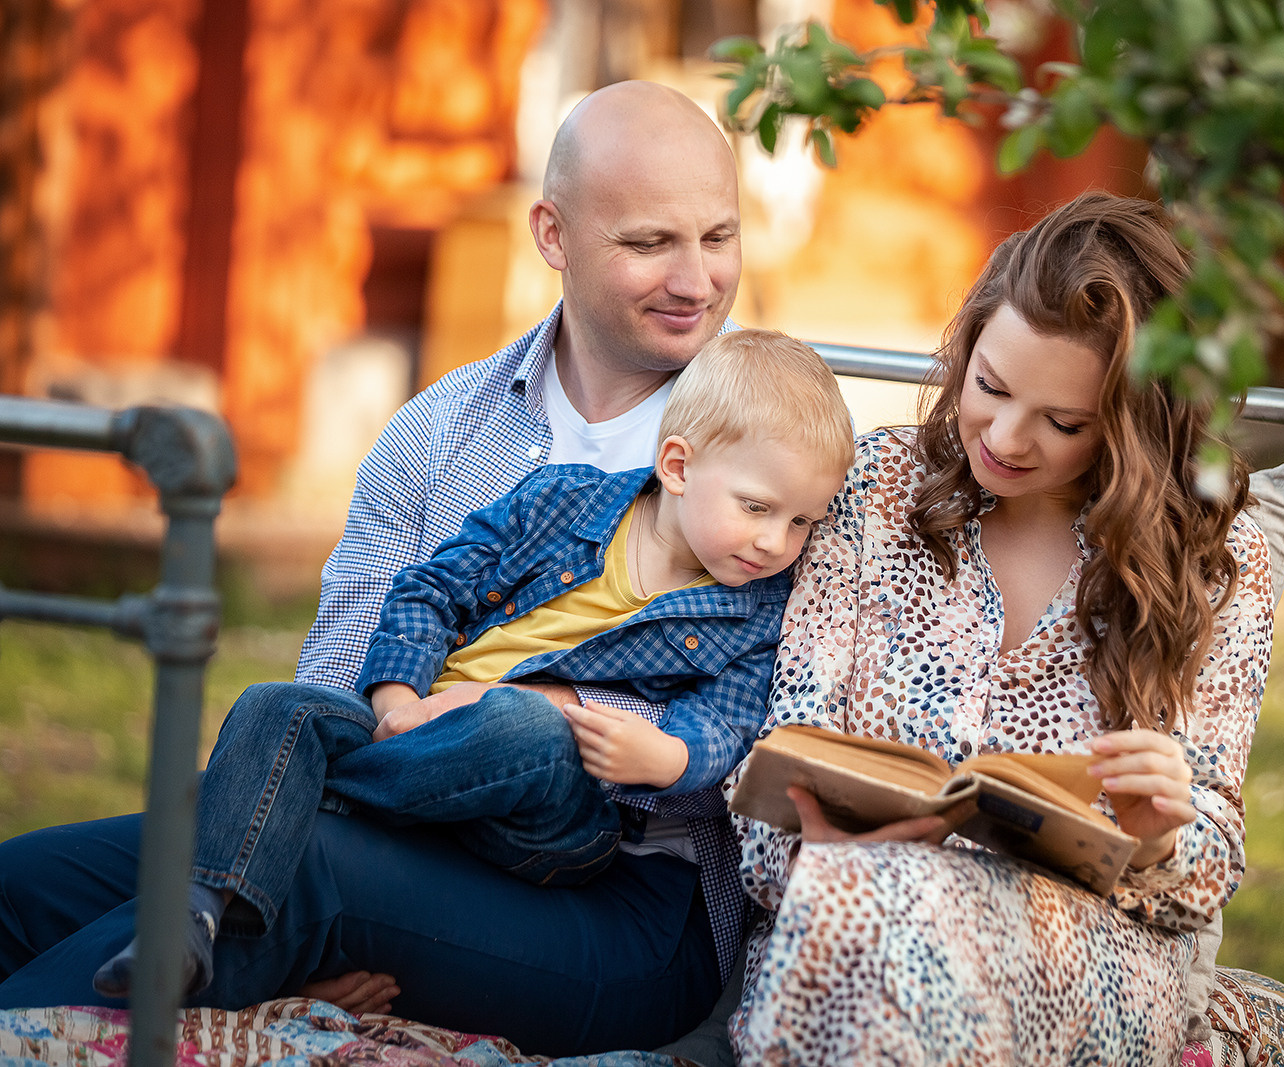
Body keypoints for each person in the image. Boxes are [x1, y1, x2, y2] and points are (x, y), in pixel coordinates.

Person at [0, 81, 763, 1055]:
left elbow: (764, 730)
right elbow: (339, 675)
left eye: (719, 236)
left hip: (619, 904)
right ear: (553, 234)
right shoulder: (442, 430)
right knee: (24, 882)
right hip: (385, 813)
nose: (696, 279)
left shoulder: (768, 449)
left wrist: (552, 714)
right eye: (651, 242)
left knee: (302, 869)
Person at [90, 329, 854, 1002]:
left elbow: (731, 714)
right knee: (275, 706)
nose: (775, 543)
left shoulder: (753, 608)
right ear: (679, 465)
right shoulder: (561, 501)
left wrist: (671, 753)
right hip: (420, 745)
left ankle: (280, 786)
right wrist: (395, 699)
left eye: (800, 521)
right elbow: (432, 588)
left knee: (523, 723)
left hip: (556, 816)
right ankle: (193, 916)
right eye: (757, 507)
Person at [723, 192, 1273, 1064]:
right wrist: (807, 843)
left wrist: (1161, 832)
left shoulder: (1208, 555)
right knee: (864, 901)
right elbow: (777, 749)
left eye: (1063, 423)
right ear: (969, 345)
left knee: (883, 915)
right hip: (845, 911)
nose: (1008, 437)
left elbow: (1211, 859)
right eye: (990, 386)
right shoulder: (878, 490)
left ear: (1131, 428)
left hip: (1088, 955)